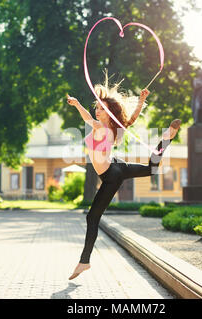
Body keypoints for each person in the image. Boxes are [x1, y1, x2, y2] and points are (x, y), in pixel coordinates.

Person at [66, 74, 181, 280]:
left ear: (108, 112)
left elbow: (87, 119)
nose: (97, 110)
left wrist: (76, 104)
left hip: (112, 174)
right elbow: (132, 118)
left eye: (101, 108)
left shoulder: (101, 127)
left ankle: (84, 261)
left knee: (92, 217)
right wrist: (142, 100)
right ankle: (165, 140)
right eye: (98, 107)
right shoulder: (115, 127)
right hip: (116, 165)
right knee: (151, 169)